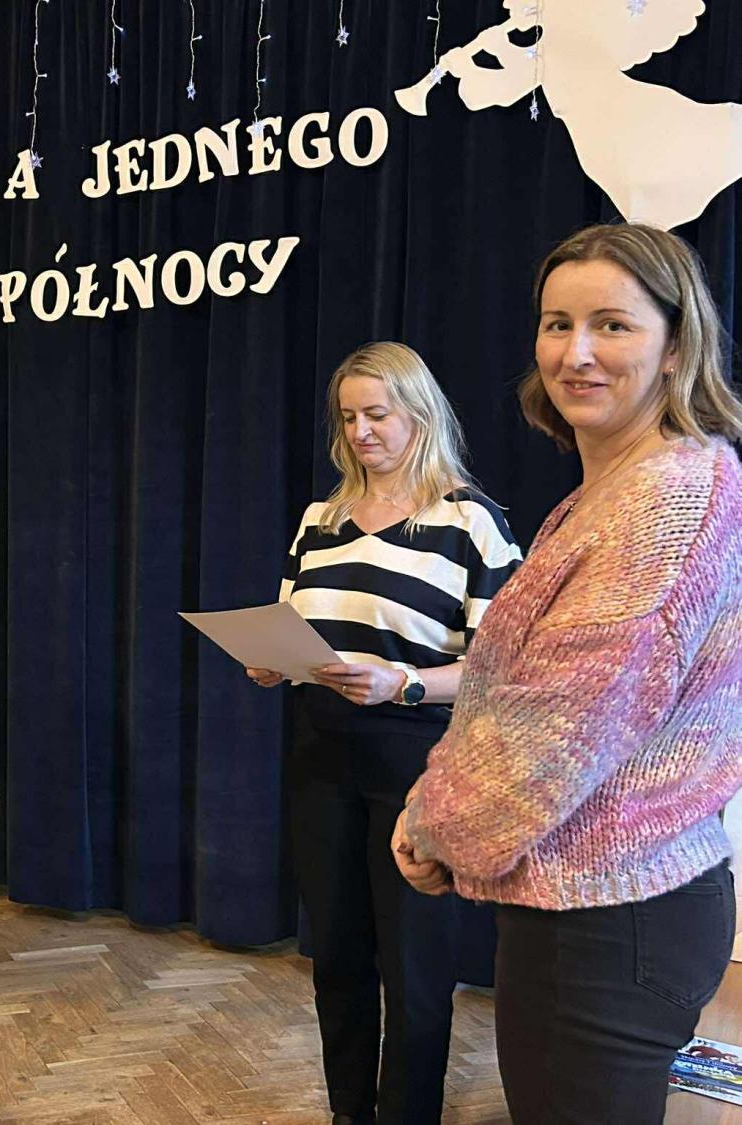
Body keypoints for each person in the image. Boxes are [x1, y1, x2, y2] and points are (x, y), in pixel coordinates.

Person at [395, 222, 742, 1123]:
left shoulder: (667, 497)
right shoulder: (618, 491)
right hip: (612, 900)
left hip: (606, 918)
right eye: (557, 324)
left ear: (677, 347)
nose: (574, 353)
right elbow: (518, 698)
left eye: (612, 325)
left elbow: (558, 730)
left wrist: (435, 826)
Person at [247, 342, 522, 1125]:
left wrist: (402, 681)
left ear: (419, 414)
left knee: (414, 964)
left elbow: (503, 670)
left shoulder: (470, 522)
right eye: (348, 417)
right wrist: (271, 661)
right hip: (322, 753)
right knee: (336, 953)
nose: (361, 431)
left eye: (377, 414)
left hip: (419, 761)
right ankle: (349, 1112)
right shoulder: (320, 521)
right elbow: (292, 624)